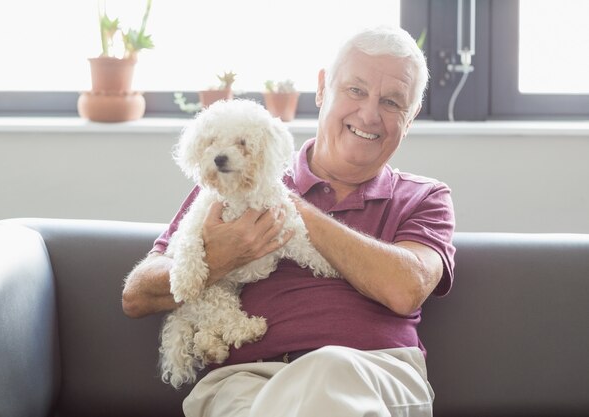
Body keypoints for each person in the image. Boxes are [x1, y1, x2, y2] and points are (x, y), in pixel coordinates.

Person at [122, 24, 456, 417]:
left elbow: (404, 288)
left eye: (392, 102)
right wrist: (217, 257)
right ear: (321, 89)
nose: (369, 114)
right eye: (356, 90)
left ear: (411, 115)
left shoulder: (425, 197)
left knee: (327, 370)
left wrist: (292, 207)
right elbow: (137, 295)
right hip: (245, 381)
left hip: (374, 375)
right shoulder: (233, 178)